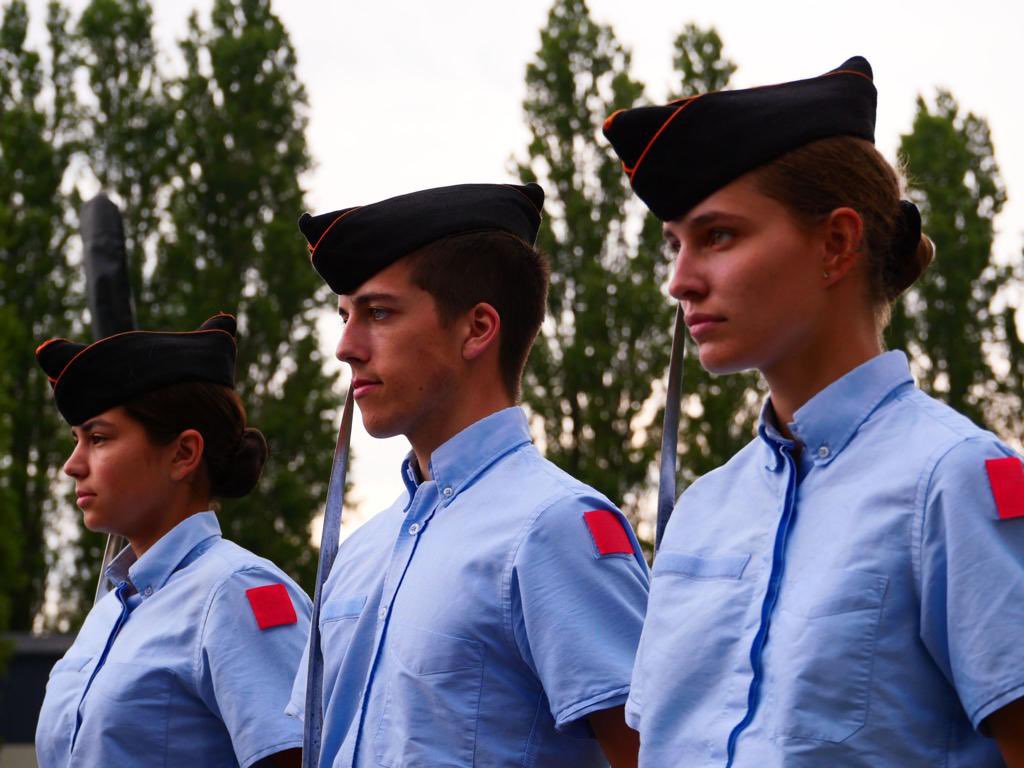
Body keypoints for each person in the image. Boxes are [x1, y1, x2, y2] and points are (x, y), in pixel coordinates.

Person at [602, 56, 1024, 767]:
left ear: (835, 243)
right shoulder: (703, 511)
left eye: (718, 236)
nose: (679, 280)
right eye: (675, 245)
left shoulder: (954, 481)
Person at [287, 182, 650, 767]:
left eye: (378, 312)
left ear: (478, 328)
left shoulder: (555, 528)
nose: (346, 347)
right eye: (345, 316)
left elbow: (651, 753)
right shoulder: (358, 552)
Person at [34, 313, 310, 768]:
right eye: (76, 439)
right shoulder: (111, 608)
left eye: (98, 438)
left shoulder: (239, 592)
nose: (73, 465)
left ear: (183, 453)